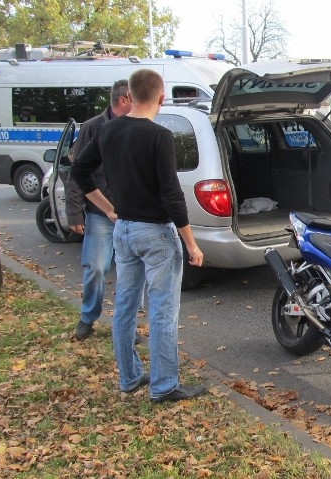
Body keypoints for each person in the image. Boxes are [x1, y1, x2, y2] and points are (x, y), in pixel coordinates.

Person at [70, 68, 206, 402]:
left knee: (125, 307)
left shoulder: (107, 131)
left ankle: (130, 378)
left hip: (124, 231)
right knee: (161, 311)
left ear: (129, 96)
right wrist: (191, 242)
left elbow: (77, 170)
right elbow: (171, 194)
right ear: (161, 97)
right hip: (156, 235)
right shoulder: (160, 137)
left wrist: (107, 208)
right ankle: (163, 386)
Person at [68, 80, 133, 341]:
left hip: (130, 213)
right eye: (135, 98)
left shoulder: (135, 126)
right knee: (96, 267)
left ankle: (125, 325)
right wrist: (74, 212)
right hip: (100, 213)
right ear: (124, 100)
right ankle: (88, 317)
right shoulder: (94, 127)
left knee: (130, 274)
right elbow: (78, 171)